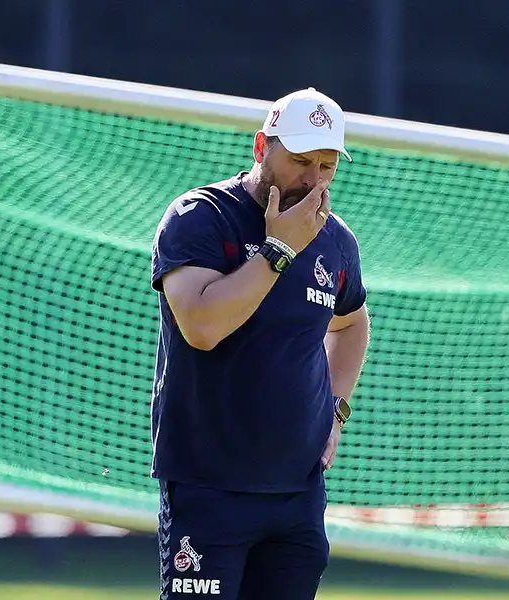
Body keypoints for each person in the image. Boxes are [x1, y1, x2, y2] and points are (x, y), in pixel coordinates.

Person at [149, 87, 371, 599]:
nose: (313, 180)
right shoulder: (199, 216)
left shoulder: (336, 239)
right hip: (209, 489)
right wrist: (279, 250)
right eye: (300, 161)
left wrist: (336, 411)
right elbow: (202, 327)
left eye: (327, 166)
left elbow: (353, 323)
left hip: (296, 495)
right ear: (260, 148)